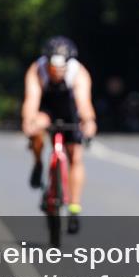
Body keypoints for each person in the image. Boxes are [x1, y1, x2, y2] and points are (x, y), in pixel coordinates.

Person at [21, 36, 97, 233]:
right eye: (53, 68)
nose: (57, 72)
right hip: (46, 108)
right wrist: (28, 122)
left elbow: (84, 103)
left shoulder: (79, 73)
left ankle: (74, 208)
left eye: (61, 68)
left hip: (69, 109)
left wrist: (89, 122)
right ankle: (38, 163)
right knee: (37, 128)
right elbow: (31, 100)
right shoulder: (37, 70)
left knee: (75, 156)